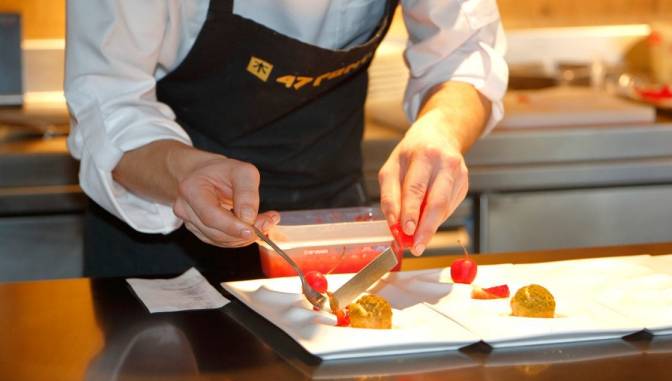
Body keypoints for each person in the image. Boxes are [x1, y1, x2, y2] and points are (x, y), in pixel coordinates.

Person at [65, 0, 508, 279]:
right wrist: (186, 173)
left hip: (336, 231)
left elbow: (465, 51)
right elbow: (107, 99)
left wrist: (441, 127)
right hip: (166, 234)